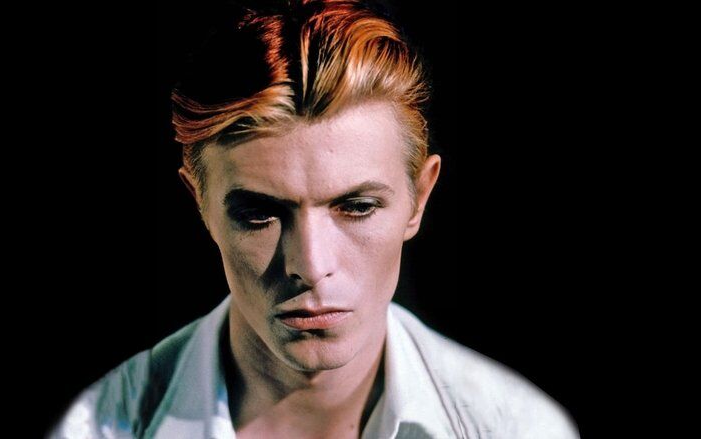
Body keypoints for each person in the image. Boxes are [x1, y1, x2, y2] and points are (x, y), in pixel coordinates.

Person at [50, 1, 578, 437]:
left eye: (357, 207)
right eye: (259, 213)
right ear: (200, 203)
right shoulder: (91, 427)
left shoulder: (521, 428)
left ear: (419, 199)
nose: (309, 264)